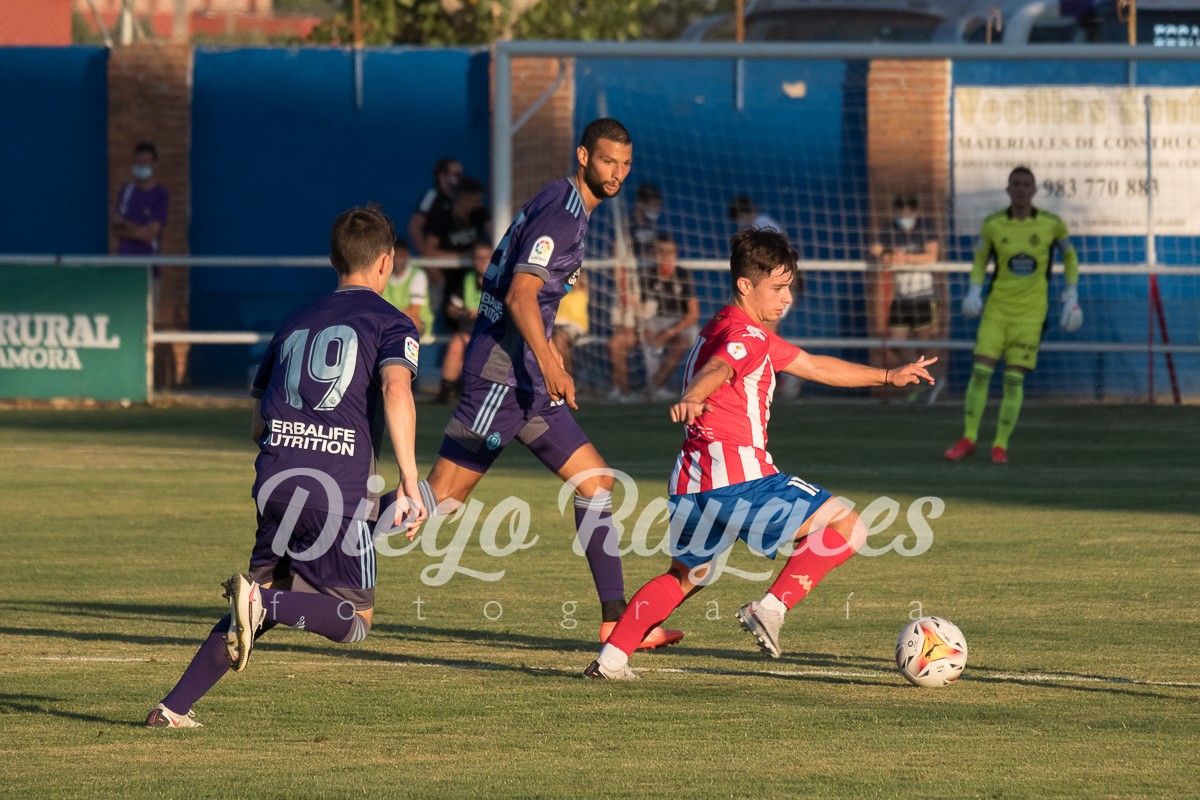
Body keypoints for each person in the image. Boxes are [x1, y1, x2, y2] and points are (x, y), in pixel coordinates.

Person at [583, 227, 936, 679]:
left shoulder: (724, 326)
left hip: (692, 481)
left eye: (790, 286)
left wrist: (888, 375)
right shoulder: (747, 337)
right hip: (739, 476)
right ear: (746, 285)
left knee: (687, 575)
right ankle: (769, 607)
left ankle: (610, 661)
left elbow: (814, 365)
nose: (787, 298)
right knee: (848, 525)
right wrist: (694, 394)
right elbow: (720, 367)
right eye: (779, 287)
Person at [145, 205, 426, 728]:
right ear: (387, 262)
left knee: (257, 605)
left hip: (275, 483)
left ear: (332, 259)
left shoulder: (294, 320)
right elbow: (395, 388)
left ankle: (172, 707)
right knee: (355, 622)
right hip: (334, 491)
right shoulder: (393, 322)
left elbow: (257, 424)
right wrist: (408, 482)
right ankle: (261, 605)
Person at [416, 118, 682, 651]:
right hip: (502, 375)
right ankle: (315, 553)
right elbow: (519, 296)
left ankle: (615, 622)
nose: (618, 173)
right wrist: (554, 359)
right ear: (583, 156)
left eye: (626, 164)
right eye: (609, 161)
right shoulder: (562, 217)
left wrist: (545, 369)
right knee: (440, 500)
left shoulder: (565, 204)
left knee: (595, 485)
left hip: (529, 382)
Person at [944, 166, 1082, 465]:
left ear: (1034, 190)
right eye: (1016, 184)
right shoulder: (993, 225)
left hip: (1031, 314)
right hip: (997, 309)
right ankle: (968, 437)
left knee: (1013, 379)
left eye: (1026, 184)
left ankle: (1000, 445)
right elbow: (980, 260)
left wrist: (1071, 295)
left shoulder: (1051, 224)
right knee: (980, 371)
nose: (1021, 189)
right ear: (1008, 189)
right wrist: (973, 291)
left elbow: (1070, 257)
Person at [868, 194, 947, 402]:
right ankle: (926, 381)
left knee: (924, 344)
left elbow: (931, 256)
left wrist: (905, 258)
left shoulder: (925, 228)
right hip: (901, 297)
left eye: (908, 214)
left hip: (923, 295)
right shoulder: (890, 229)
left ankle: (931, 383)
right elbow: (875, 248)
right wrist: (887, 253)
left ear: (915, 213)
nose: (905, 218)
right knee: (896, 343)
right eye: (901, 214)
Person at [609, 234, 699, 401]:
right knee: (616, 342)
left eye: (669, 252)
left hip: (676, 323)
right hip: (650, 322)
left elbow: (693, 315)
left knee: (680, 343)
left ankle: (653, 388)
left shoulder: (683, 275)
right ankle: (622, 392)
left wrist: (669, 332)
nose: (665, 257)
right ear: (653, 253)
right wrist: (643, 327)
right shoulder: (646, 276)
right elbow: (638, 310)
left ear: (675, 254)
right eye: (660, 252)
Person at [437, 239, 490, 403]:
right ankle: (447, 391)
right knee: (457, 343)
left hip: (492, 330)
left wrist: (481, 312)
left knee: (472, 344)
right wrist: (463, 312)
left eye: (486, 257)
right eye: (478, 257)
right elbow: (451, 308)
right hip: (469, 328)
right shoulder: (466, 279)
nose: (481, 262)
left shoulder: (500, 280)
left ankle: (478, 392)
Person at [111, 141, 169, 257]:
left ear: (154, 165)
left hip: (147, 263)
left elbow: (150, 235)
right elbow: (116, 230)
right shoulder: (127, 190)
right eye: (138, 162)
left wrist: (126, 224)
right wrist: (141, 230)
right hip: (124, 262)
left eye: (145, 162)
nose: (141, 166)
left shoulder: (160, 194)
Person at [381, 237, 434, 342]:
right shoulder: (384, 277)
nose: (399, 259)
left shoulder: (418, 275)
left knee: (411, 320)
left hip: (418, 323)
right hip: (391, 323)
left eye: (402, 255)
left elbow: (414, 310)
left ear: (407, 255)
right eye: (396, 256)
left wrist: (387, 319)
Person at [552, 269, 589, 377]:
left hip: (574, 326)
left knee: (560, 340)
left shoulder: (582, 293)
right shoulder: (562, 293)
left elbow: (582, 278)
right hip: (556, 325)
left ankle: (566, 376)